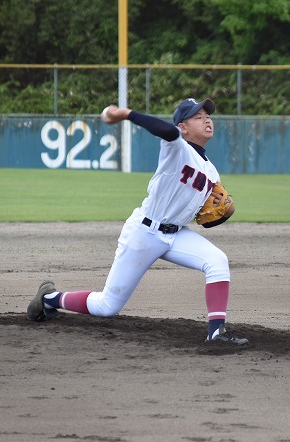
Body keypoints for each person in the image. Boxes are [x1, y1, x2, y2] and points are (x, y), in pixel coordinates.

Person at [26, 98, 248, 346]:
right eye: (198, 117)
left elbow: (205, 220)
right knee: (107, 306)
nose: (207, 120)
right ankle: (49, 299)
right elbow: (166, 131)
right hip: (145, 232)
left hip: (176, 235)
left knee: (217, 261)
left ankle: (216, 333)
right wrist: (126, 113)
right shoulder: (177, 147)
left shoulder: (212, 171)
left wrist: (226, 213)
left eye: (208, 116)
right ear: (183, 127)